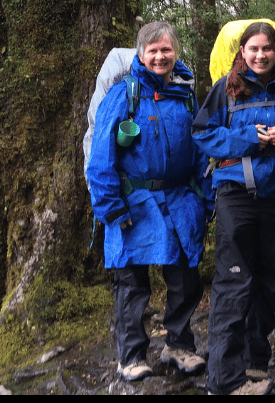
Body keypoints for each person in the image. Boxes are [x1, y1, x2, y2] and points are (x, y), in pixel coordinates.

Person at [193, 22, 275, 395]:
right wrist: (250, 138)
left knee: (268, 283)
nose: (260, 56)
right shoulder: (227, 88)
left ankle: (255, 363)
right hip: (236, 197)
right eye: (253, 49)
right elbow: (203, 134)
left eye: (267, 49)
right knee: (234, 285)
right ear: (242, 52)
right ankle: (224, 380)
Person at [86, 22, 208, 382]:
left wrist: (204, 197)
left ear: (176, 53)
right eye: (152, 51)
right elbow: (100, 157)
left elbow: (201, 148)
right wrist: (111, 207)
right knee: (132, 283)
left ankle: (179, 346)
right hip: (133, 204)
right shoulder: (123, 95)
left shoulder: (185, 95)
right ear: (140, 54)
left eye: (166, 50)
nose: (160, 56)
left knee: (185, 279)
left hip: (179, 201)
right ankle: (132, 355)